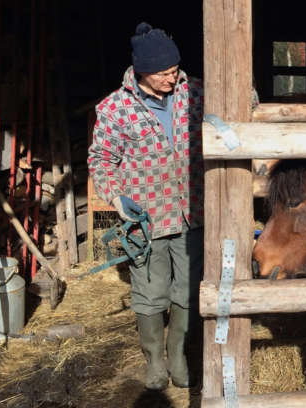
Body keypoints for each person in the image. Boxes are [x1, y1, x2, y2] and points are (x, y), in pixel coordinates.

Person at [87, 22, 204, 390]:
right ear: (142, 72)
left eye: (175, 70)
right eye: (165, 73)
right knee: (150, 293)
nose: (173, 78)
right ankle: (154, 359)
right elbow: (101, 160)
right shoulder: (115, 109)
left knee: (187, 288)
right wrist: (117, 197)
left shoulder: (194, 91)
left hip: (192, 213)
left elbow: (241, 97)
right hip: (147, 218)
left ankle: (178, 353)